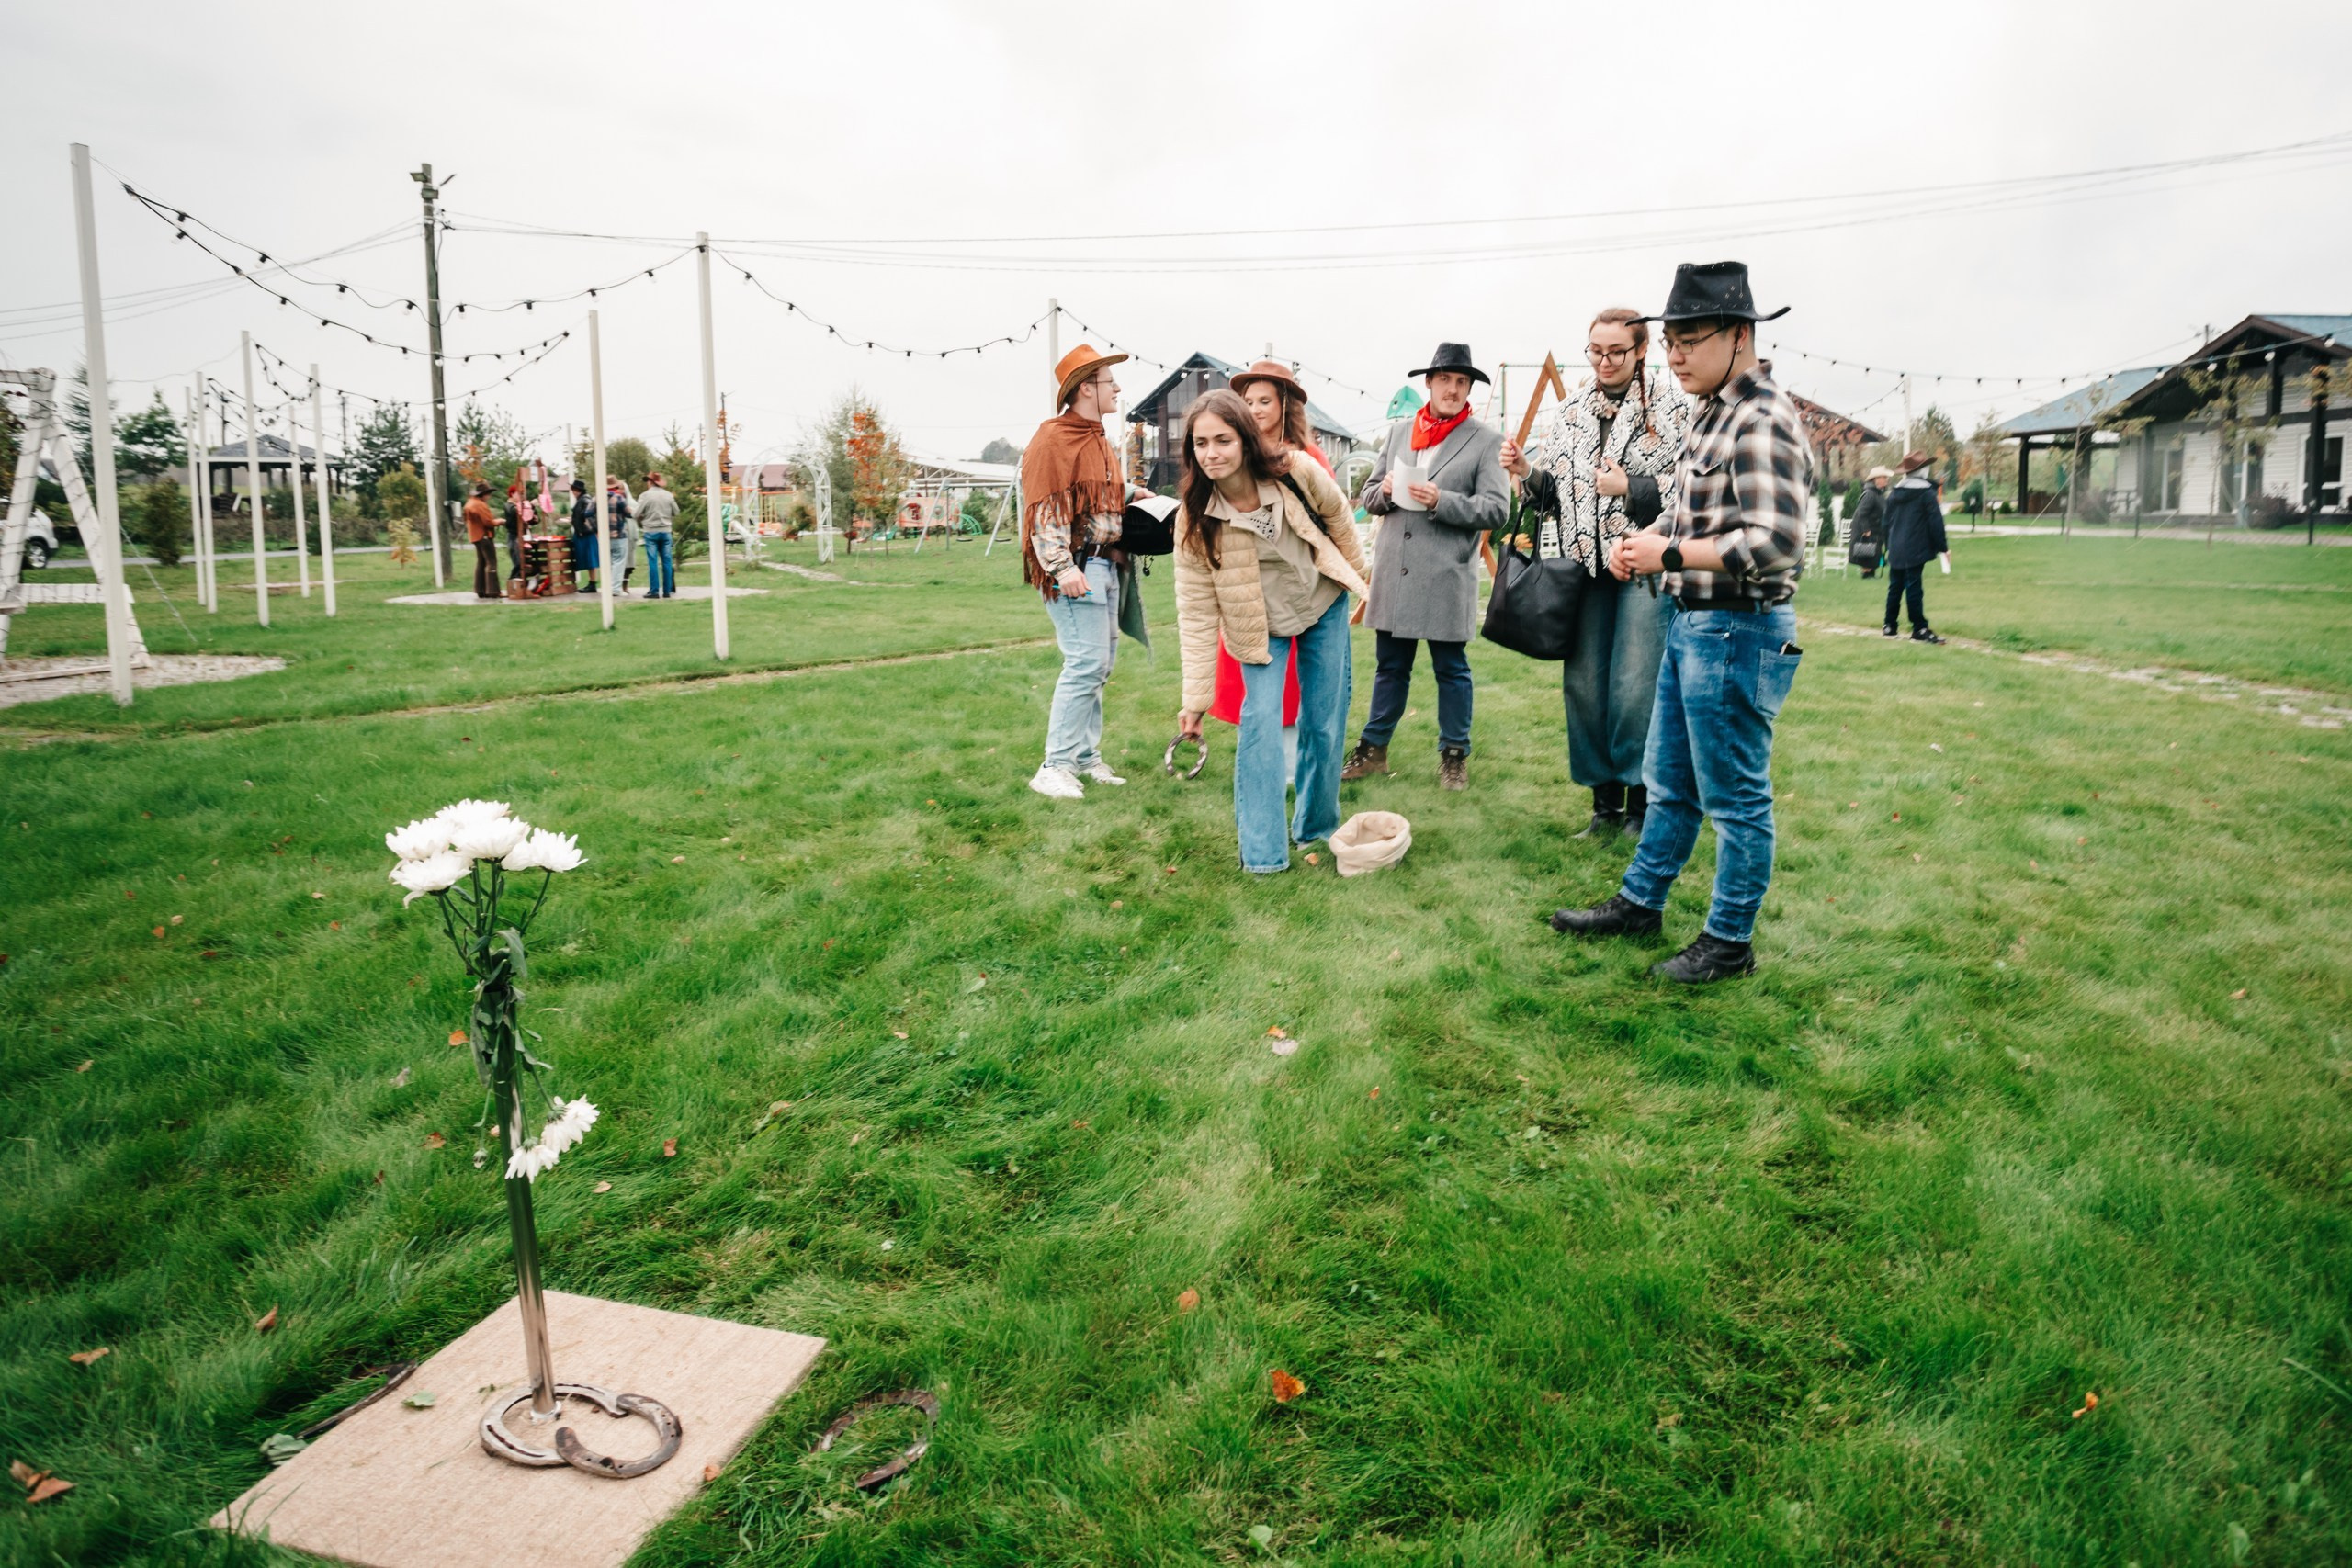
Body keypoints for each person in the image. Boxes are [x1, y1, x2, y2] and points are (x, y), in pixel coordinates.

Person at [1551, 261, 1813, 985]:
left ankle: (1729, 941)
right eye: (1668, 343)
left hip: (1742, 629)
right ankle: (1641, 902)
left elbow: (1776, 540)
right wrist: (1646, 543)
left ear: (1738, 335)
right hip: (1694, 624)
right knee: (1670, 782)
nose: (1674, 356)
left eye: (1688, 340)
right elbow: (1687, 508)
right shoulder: (1711, 411)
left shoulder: (1763, 417)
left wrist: (1668, 550)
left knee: (1736, 799)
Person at [1500, 308, 1692, 841]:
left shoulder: (1675, 407)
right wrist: (1525, 474)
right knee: (1585, 685)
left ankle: (1640, 805)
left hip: (1642, 568)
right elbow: (1557, 496)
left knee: (1635, 687)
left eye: (1616, 352)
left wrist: (1629, 487)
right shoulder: (1570, 412)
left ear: (1640, 352)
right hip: (1582, 568)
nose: (1604, 362)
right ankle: (1602, 806)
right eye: (1596, 351)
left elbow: (1689, 492)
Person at [1172, 389, 1366, 874]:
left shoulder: (1295, 470)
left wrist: (1358, 582)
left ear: (1245, 439)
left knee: (1323, 722)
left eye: (1223, 440)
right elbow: (1196, 613)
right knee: (1259, 728)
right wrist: (1194, 701)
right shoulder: (1193, 519)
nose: (1212, 453)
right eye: (1200, 444)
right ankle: (1262, 856)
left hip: (1322, 603)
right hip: (1258, 628)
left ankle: (1317, 828)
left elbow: (1340, 518)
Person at [1342, 343, 1510, 791]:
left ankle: (1454, 755)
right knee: (1389, 668)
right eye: (1445, 380)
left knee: (1451, 670)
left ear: (1468, 387)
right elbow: (1370, 495)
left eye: (1461, 382)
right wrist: (1388, 488)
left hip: (1445, 575)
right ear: (1429, 384)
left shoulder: (1486, 440)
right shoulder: (1399, 434)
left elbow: (1497, 510)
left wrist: (1443, 501)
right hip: (1396, 573)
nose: (1453, 390)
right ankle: (1373, 749)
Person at [1019, 344, 1148, 801]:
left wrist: (1134, 493)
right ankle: (1053, 766)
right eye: (1109, 382)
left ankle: (1084, 757)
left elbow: (1096, 487)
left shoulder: (1095, 437)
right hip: (1077, 568)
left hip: (1106, 567)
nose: (1117, 388)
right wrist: (1059, 567)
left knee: (1100, 666)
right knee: (1085, 664)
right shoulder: (1054, 439)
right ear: (1086, 388)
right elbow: (1045, 507)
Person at [1210, 360, 1331, 778]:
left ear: (1284, 405)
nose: (1257, 408)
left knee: (1298, 687)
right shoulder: (1235, 456)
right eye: (1248, 401)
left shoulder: (1308, 457)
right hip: (1248, 588)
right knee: (1257, 685)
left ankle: (1293, 770)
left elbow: (1329, 522)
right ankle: (1262, 766)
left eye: (1265, 400)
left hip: (1300, 590)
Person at [1881, 451, 1950, 643]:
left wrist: (1889, 545)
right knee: (1914, 588)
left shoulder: (1894, 494)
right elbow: (1936, 523)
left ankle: (1889, 625)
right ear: (1922, 471)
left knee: (1895, 587)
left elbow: (1885, 524)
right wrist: (1943, 547)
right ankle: (1919, 628)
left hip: (1896, 547)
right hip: (1916, 547)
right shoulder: (1926, 494)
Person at [636, 471, 679, 598]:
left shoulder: (645, 496)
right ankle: (667, 591)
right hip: (666, 531)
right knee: (667, 561)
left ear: (650, 482)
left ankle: (654, 591)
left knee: (653, 561)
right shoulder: (668, 495)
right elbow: (676, 511)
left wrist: (645, 516)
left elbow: (636, 513)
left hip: (650, 531)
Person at [1849, 465, 1890, 576]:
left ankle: (1870, 574)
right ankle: (1867, 575)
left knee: (1873, 555)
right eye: (1884, 477)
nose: (1887, 479)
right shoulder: (1870, 494)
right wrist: (1866, 529)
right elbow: (1862, 512)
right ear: (1876, 479)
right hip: (1868, 532)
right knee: (1868, 554)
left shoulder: (1877, 494)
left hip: (1876, 531)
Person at [465, 482, 502, 599]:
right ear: (484, 494)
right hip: (484, 536)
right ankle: (493, 591)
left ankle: (480, 589)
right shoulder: (480, 505)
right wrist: (499, 521)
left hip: (475, 536)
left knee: (481, 563)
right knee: (491, 562)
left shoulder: (470, 503)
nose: (489, 496)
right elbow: (488, 522)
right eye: (488, 494)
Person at [605, 475, 638, 593]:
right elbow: (632, 514)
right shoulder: (617, 499)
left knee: (622, 563)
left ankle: (621, 586)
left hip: (625, 536)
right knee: (617, 562)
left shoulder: (630, 502)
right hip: (619, 535)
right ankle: (615, 588)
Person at [567, 479, 599, 592]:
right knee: (588, 559)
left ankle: (592, 584)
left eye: (573, 490)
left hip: (586, 534)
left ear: (577, 490)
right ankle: (591, 583)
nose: (572, 492)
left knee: (591, 560)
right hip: (582, 533)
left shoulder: (585, 500)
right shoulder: (581, 499)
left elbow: (589, 515)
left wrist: (586, 527)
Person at [502, 480, 526, 581]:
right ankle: (513, 582)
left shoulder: (518, 505)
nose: (520, 496)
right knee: (518, 562)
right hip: (513, 536)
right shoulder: (509, 506)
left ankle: (518, 582)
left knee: (522, 561)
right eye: (518, 494)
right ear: (512, 494)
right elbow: (514, 512)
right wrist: (530, 505)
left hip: (520, 535)